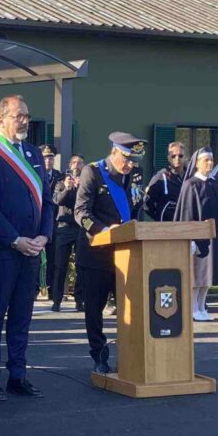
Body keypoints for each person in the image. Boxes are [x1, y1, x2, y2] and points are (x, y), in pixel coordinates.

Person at [0, 95, 52, 400]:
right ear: (1, 119)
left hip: (32, 249)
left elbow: (47, 202)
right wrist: (14, 239)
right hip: (3, 250)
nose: (24, 121)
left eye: (27, 116)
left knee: (22, 316)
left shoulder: (32, 152)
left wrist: (44, 236)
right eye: (18, 115)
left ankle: (17, 374)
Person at [75, 132, 145, 374]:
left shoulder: (134, 176)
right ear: (114, 152)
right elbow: (81, 213)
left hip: (127, 255)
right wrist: (106, 231)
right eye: (127, 159)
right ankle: (99, 355)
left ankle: (132, 353)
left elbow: (137, 210)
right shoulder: (92, 172)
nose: (130, 165)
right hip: (97, 254)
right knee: (95, 309)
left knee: (132, 308)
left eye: (134, 160)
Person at [175, 147, 218, 322]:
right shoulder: (191, 184)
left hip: (216, 235)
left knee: (208, 274)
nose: (210, 163)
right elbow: (186, 212)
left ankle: (202, 305)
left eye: (211, 159)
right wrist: (188, 237)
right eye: (206, 160)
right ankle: (193, 307)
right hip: (198, 237)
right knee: (197, 274)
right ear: (197, 163)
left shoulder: (217, 184)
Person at [48, 154, 84, 312]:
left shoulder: (86, 182)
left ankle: (79, 300)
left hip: (80, 227)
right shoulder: (61, 182)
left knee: (81, 265)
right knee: (60, 265)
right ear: (69, 165)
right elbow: (57, 201)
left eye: (80, 163)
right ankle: (56, 300)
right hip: (64, 226)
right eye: (74, 162)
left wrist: (80, 186)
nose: (77, 165)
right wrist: (68, 188)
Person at [39, 144, 62, 298]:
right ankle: (35, 289)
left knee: (54, 260)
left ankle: (52, 291)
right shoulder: (34, 174)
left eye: (51, 157)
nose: (48, 160)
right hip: (37, 221)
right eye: (45, 157)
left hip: (55, 222)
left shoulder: (60, 176)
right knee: (35, 258)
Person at [145, 142, 186, 221]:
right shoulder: (160, 177)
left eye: (180, 156)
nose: (177, 158)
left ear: (185, 157)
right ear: (168, 158)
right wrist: (160, 217)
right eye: (173, 156)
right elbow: (147, 204)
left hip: (187, 226)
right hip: (166, 228)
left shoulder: (190, 177)